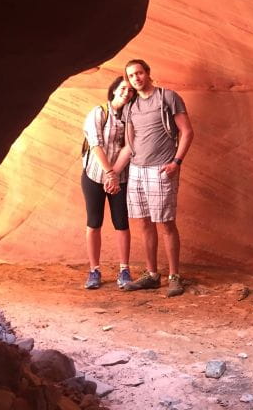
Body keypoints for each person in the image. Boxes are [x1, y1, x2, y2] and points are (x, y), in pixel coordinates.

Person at [113, 59, 193, 297]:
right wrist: (113, 172)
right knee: (145, 223)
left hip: (162, 168)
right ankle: (151, 275)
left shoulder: (167, 98)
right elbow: (129, 145)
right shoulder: (130, 107)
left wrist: (176, 163)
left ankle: (174, 277)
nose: (136, 78)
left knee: (166, 223)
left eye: (139, 73)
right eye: (131, 76)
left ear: (147, 73)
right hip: (137, 170)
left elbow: (187, 132)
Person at [81, 76, 135, 289]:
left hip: (120, 177)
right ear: (114, 90)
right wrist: (108, 173)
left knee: (121, 223)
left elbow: (130, 147)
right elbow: (95, 144)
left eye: (130, 91)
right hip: (94, 175)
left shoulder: (132, 117)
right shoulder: (99, 112)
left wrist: (114, 175)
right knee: (94, 222)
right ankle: (94, 270)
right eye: (123, 88)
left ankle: (124, 269)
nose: (126, 93)